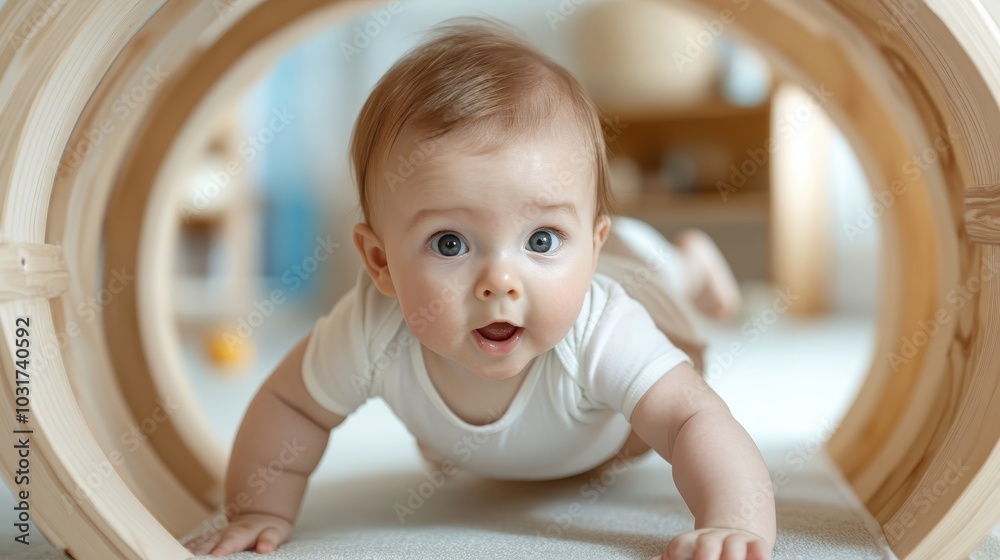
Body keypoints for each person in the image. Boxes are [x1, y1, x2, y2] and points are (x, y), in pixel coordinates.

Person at [184, 17, 773, 560]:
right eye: (449, 244)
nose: (499, 283)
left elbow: (692, 418)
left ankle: (690, 263)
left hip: (634, 298)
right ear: (380, 261)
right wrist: (257, 508)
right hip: (548, 387)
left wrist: (734, 520)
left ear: (588, 244)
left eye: (541, 239)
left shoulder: (603, 324)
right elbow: (292, 406)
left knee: (654, 274)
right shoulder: (370, 326)